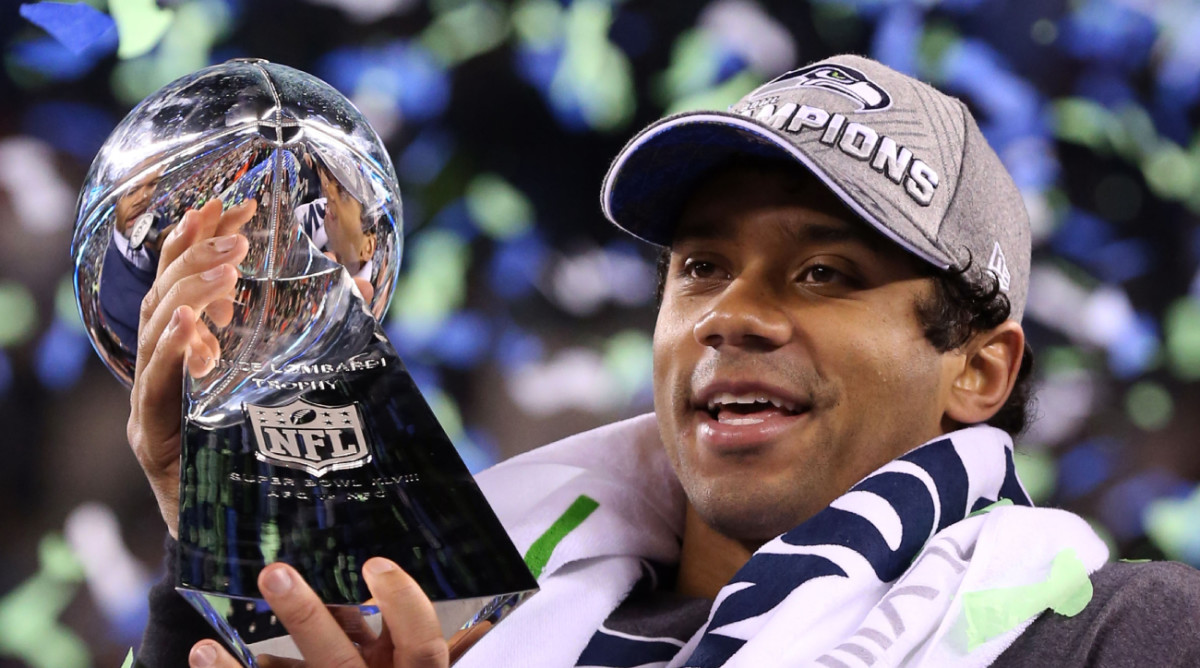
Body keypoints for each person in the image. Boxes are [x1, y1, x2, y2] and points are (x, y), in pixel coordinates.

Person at [128, 55, 1200, 668]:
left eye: (824, 271)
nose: (731, 313)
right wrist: (225, 528)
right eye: (700, 265)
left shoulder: (1113, 631)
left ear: (980, 369)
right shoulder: (439, 621)